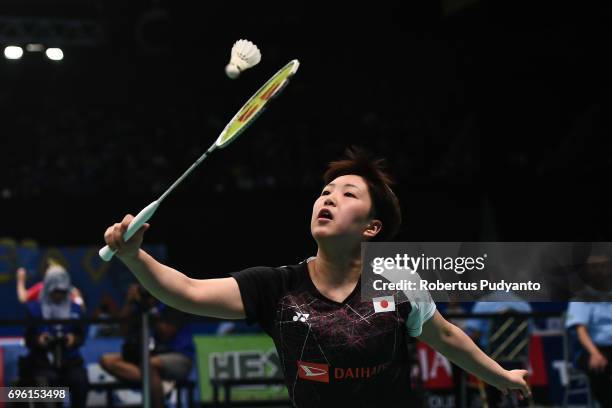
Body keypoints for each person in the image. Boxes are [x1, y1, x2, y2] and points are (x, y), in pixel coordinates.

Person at [103, 148, 530, 407]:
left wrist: (502, 377)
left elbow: (448, 337)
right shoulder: (278, 286)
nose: (328, 198)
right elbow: (188, 292)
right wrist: (134, 257)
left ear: (371, 228)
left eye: (348, 195)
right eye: (325, 192)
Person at [99, 284, 194, 408]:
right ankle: (156, 381)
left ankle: (155, 393)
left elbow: (165, 335)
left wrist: (151, 309)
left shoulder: (172, 302)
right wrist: (129, 303)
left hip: (178, 357)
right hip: (146, 357)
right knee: (106, 360)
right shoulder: (140, 305)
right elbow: (123, 330)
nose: (148, 294)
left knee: (149, 364)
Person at [21, 266, 88, 407]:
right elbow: (28, 339)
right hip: (43, 363)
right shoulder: (34, 309)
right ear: (48, 289)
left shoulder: (75, 309)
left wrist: (73, 339)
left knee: (80, 381)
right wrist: (38, 340)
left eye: (63, 292)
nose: (59, 295)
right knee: (47, 384)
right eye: (56, 291)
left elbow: (81, 335)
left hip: (70, 362)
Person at [565, 250, 612, 408]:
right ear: (587, 270)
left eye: (602, 266)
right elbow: (581, 330)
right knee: (600, 366)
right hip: (590, 351)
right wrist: (595, 353)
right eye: (594, 267)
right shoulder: (580, 299)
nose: (599, 270)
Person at [16, 260, 85, 309]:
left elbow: (80, 308)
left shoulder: (71, 291)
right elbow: (24, 299)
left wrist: (20, 279)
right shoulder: (41, 287)